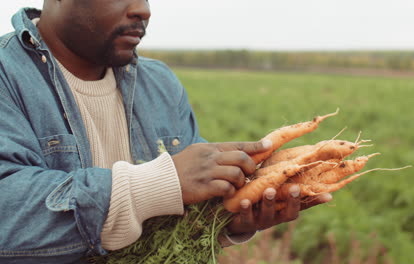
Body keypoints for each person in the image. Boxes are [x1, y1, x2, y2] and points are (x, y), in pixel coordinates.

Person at [0, 1, 332, 263]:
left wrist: (227, 219)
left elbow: (185, 219)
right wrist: (161, 181)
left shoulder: (159, 83)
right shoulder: (7, 76)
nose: (143, 9)